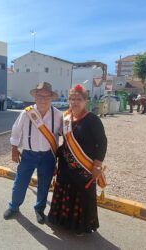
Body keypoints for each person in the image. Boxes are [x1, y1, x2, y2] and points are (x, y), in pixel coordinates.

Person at [48, 84, 107, 235]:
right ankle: (62, 222)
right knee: (65, 191)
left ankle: (80, 227)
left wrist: (97, 165)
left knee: (81, 195)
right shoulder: (67, 118)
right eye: (72, 99)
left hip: (84, 166)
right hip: (66, 165)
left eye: (78, 99)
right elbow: (63, 140)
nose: (75, 102)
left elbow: (102, 142)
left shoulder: (92, 119)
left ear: (85, 101)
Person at [3, 82, 62, 224]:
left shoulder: (58, 115)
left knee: (44, 184)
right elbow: (16, 130)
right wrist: (14, 148)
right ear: (35, 96)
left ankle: (39, 209)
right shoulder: (26, 113)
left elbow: (65, 133)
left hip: (48, 156)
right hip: (28, 154)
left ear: (51, 98)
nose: (43, 99)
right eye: (40, 95)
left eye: (47, 96)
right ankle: (14, 207)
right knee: (20, 182)